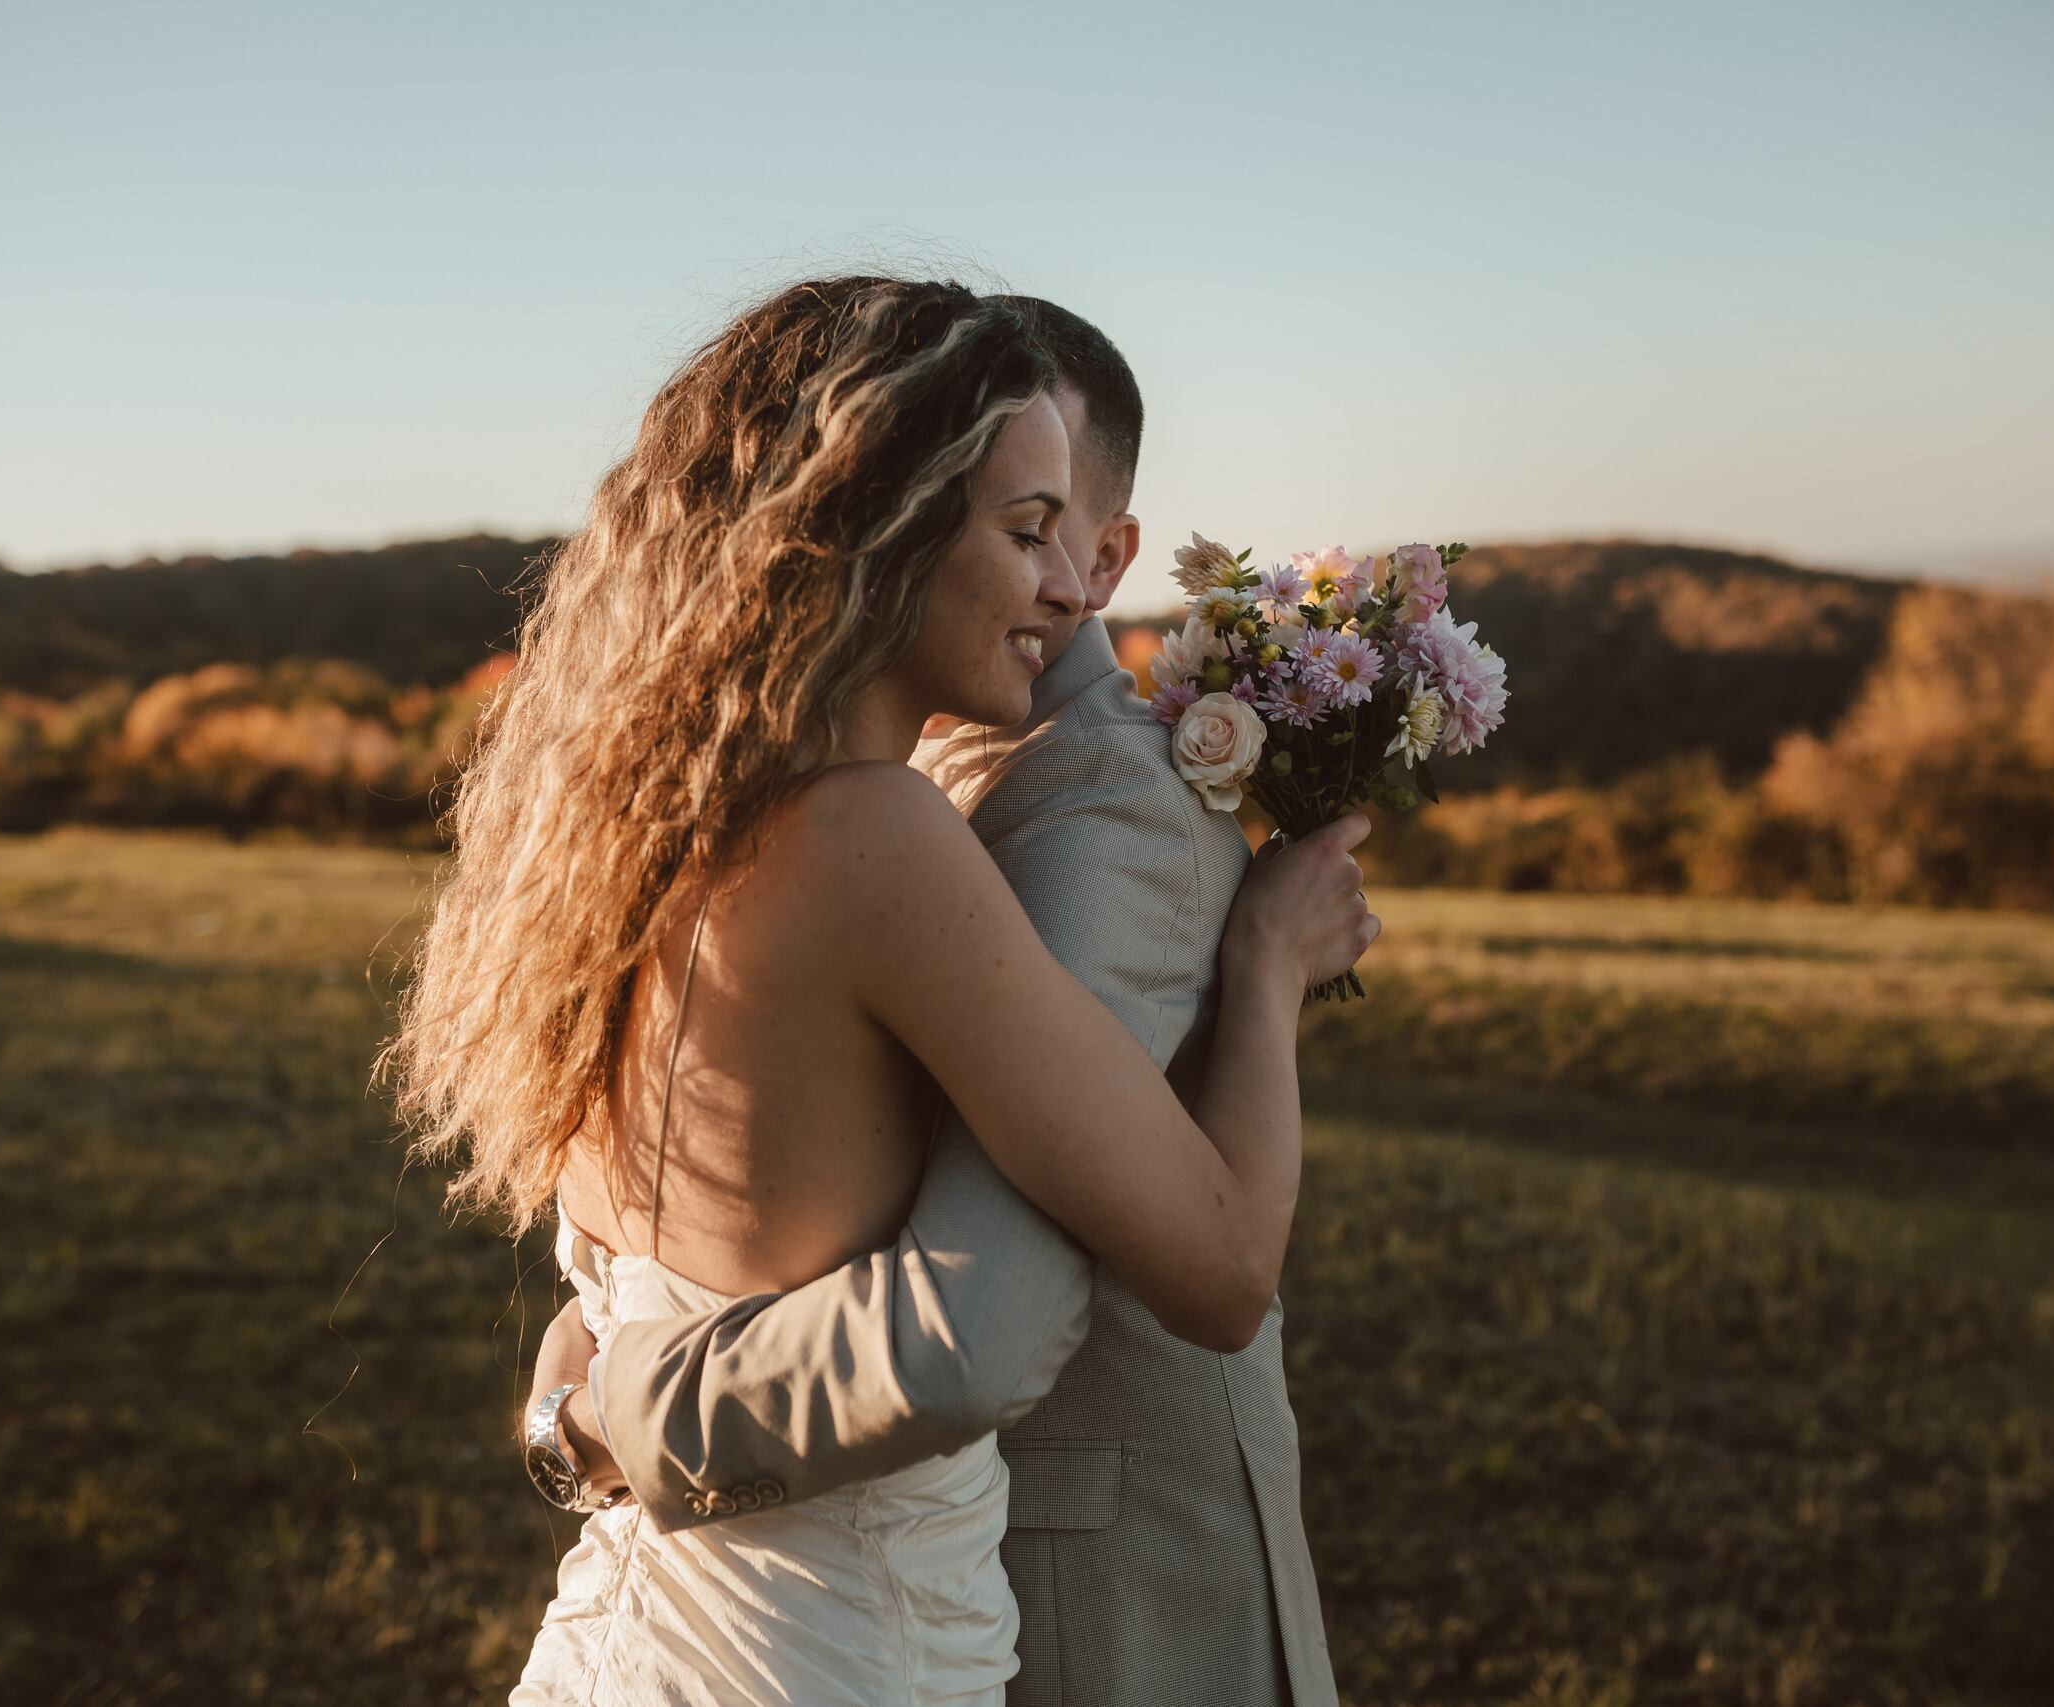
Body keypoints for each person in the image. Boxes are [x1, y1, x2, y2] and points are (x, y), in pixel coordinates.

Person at [391, 276, 1373, 1706]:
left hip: (629, 1634)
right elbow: (1215, 1271)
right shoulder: (877, 833)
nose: (1070, 585)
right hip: (832, 1658)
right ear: (874, 520)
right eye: (1027, 531)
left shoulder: (622, 830)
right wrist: (1270, 968)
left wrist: (580, 1410)